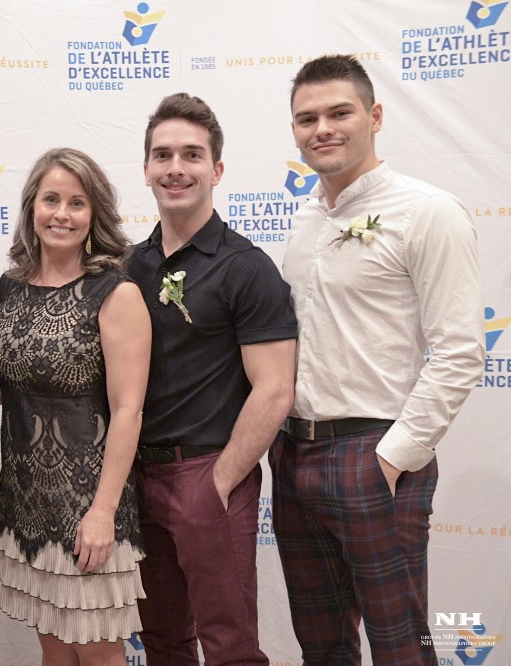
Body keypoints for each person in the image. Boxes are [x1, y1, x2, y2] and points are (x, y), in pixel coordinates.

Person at [272, 54, 485, 664]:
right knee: (322, 647)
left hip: (375, 451)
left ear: (376, 115)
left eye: (339, 112)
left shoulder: (428, 212)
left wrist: (392, 459)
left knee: (402, 648)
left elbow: (461, 351)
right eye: (306, 118)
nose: (322, 129)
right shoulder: (304, 220)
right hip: (294, 455)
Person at [126, 93, 297, 664]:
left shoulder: (246, 267)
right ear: (146, 168)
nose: (176, 168)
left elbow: (275, 388)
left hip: (209, 473)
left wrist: (219, 482)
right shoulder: (129, 266)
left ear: (217, 170)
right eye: (163, 154)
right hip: (137, 477)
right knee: (164, 641)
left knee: (229, 645)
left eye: (192, 155)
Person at [0, 147, 151, 666]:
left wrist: (101, 513)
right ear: (31, 206)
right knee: (55, 652)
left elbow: (128, 410)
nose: (61, 213)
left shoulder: (116, 293)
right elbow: (0, 386)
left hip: (88, 504)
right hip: (27, 502)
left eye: (77, 203)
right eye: (50, 198)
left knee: (97, 655)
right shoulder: (8, 287)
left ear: (94, 215)